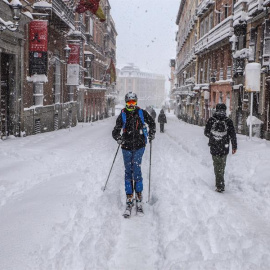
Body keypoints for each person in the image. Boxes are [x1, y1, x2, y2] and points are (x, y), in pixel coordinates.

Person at [112, 92, 156, 216]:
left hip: (139, 146)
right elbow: (115, 131)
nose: (131, 105)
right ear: (126, 102)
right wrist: (118, 138)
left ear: (136, 102)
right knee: (128, 171)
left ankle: (139, 197)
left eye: (133, 102)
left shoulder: (141, 113)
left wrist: (152, 133)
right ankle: (129, 197)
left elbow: (152, 123)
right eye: (129, 102)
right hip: (126, 146)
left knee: (136, 169)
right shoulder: (123, 114)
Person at [204, 103, 237, 193]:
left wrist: (213, 137)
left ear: (216, 110)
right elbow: (232, 134)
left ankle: (219, 184)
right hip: (224, 147)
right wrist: (234, 146)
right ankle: (220, 183)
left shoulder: (211, 120)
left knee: (216, 165)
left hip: (214, 147)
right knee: (222, 166)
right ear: (225, 110)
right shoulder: (228, 121)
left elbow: (206, 132)